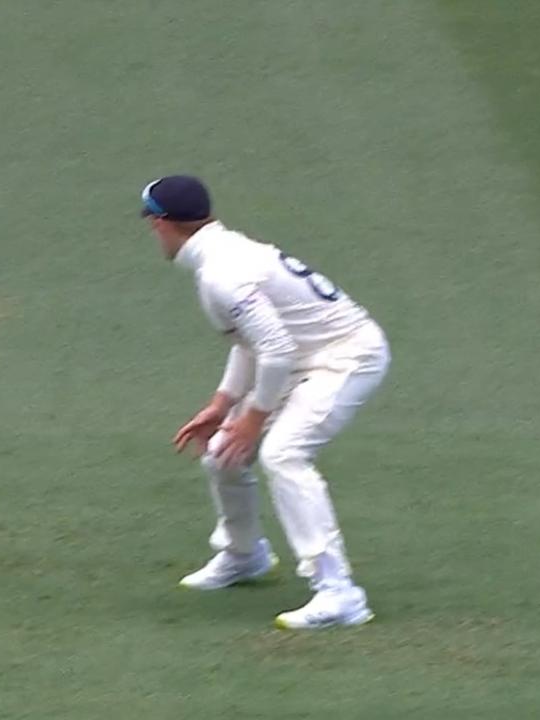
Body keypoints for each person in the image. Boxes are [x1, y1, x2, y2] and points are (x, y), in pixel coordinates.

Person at [142, 175, 390, 630]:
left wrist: (253, 418)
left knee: (284, 453)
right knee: (223, 454)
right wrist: (223, 406)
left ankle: (339, 593)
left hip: (348, 356)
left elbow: (276, 350)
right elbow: (253, 343)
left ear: (160, 223)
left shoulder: (221, 273)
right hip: (302, 358)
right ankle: (244, 555)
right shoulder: (223, 254)